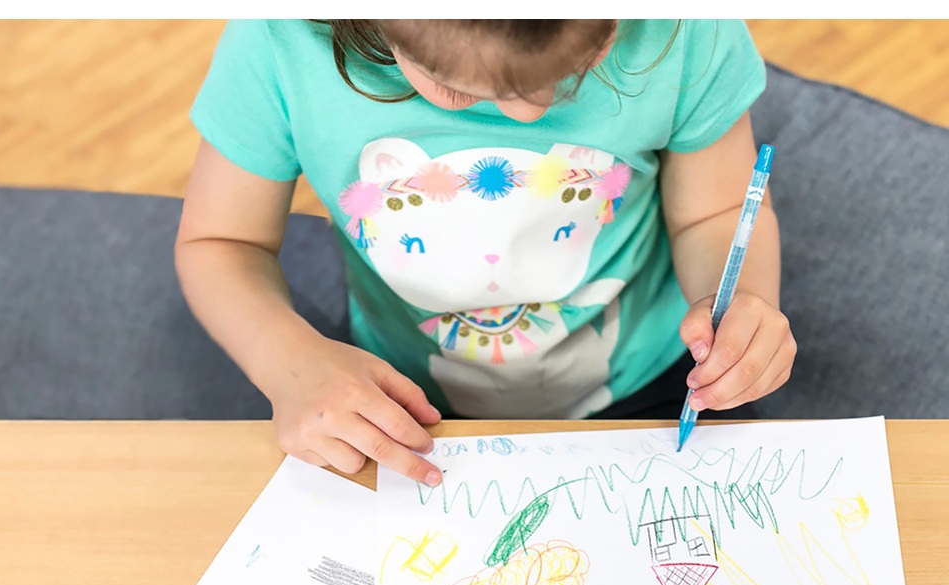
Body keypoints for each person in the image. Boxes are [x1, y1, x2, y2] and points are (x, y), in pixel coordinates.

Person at [175, 19, 795, 487]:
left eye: (571, 70)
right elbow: (222, 242)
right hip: (399, 401)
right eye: (454, 87)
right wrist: (289, 362)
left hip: (661, 381)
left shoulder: (686, 29)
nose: (529, 113)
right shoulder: (278, 42)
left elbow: (716, 214)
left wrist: (741, 304)